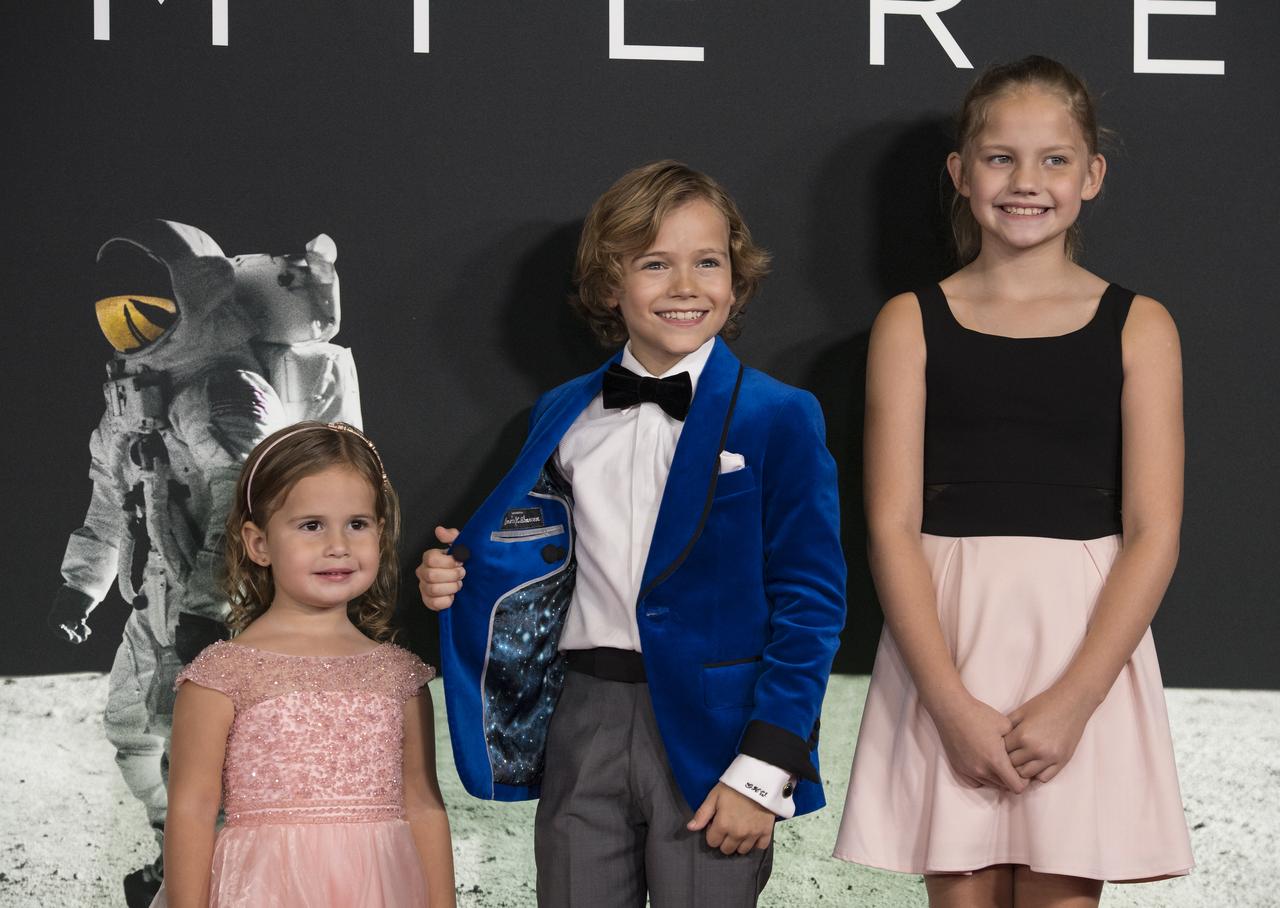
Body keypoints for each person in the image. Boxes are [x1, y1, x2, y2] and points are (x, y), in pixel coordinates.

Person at [419, 160, 846, 906]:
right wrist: (459, 574)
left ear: (736, 281)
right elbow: (533, 554)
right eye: (654, 263)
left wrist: (766, 767)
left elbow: (811, 602)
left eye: (707, 262)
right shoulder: (563, 412)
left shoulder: (780, 414)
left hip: (719, 739)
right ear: (609, 284)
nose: (685, 285)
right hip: (582, 717)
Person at [833, 56, 1194, 906]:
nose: (1026, 181)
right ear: (961, 174)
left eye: (1053, 159)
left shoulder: (1141, 326)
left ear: (1091, 176)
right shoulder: (909, 323)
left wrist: (1076, 699)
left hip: (1083, 645)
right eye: (1000, 158)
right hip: (950, 640)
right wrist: (949, 703)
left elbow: (1154, 532)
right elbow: (890, 526)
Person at [154, 422, 455, 907]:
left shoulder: (400, 676)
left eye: (357, 524)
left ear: (380, 535)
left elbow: (423, 805)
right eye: (311, 525)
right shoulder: (221, 675)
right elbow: (191, 809)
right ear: (259, 544)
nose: (338, 545)